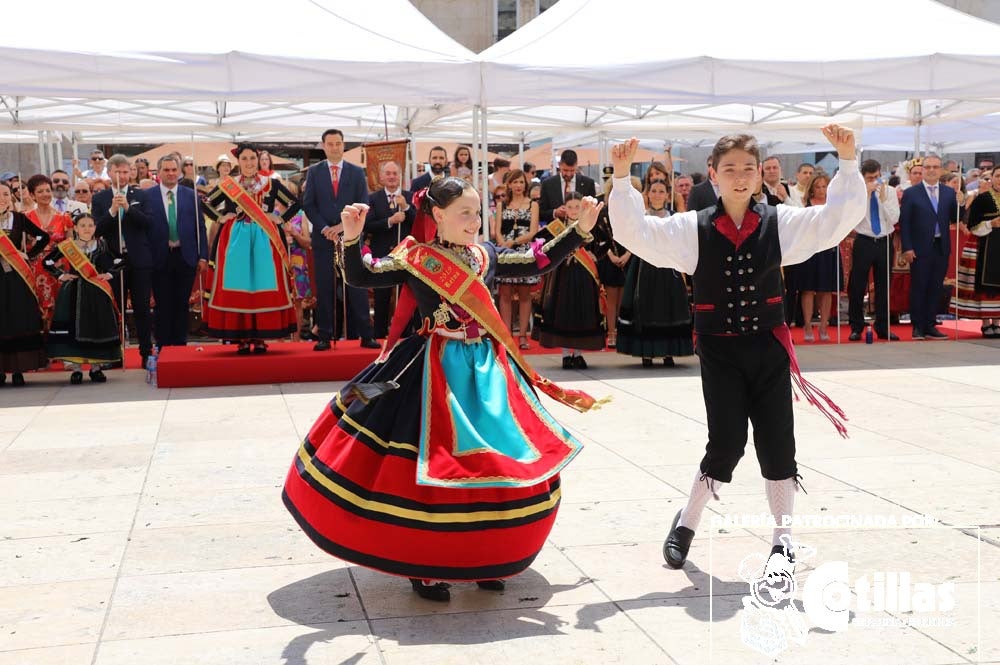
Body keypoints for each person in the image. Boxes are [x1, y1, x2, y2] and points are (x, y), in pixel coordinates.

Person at [282, 176, 604, 603]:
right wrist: (355, 238)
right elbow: (363, 277)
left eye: (476, 212)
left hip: (487, 370)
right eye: (464, 213)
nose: (474, 221)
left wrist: (578, 230)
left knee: (498, 461)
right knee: (438, 469)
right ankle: (430, 565)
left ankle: (489, 556)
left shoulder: (485, 254)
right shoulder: (415, 257)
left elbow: (533, 261)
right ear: (437, 216)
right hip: (434, 368)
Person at [608, 126, 865, 573]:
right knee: (726, 445)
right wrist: (620, 177)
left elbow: (833, 222)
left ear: (760, 174)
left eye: (748, 168)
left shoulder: (779, 221)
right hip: (719, 352)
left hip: (767, 347)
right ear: (714, 174)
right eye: (730, 169)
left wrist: (846, 161)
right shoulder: (693, 227)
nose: (741, 177)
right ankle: (686, 522)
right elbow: (637, 234)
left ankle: (782, 542)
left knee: (779, 445)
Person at [201, 143, 299, 353]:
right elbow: (205, 202)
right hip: (235, 242)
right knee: (239, 285)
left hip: (266, 241)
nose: (249, 163)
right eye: (244, 159)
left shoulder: (271, 184)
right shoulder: (229, 184)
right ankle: (242, 337)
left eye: (252, 159)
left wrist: (279, 218)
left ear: (258, 160)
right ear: (239, 161)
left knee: (264, 284)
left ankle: (261, 337)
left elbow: (294, 203)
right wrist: (221, 217)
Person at [303, 129, 378, 351]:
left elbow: (363, 203)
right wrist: (325, 227)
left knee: (357, 285)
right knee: (324, 287)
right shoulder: (314, 172)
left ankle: (366, 334)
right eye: (330, 143)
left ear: (343, 145)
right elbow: (308, 204)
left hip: (350, 238)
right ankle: (324, 335)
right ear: (323, 146)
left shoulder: (356, 172)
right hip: (323, 238)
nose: (335, 147)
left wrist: (342, 227)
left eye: (338, 143)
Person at [616, 180, 693, 367]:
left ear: (667, 196)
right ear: (647, 195)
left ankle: (669, 351)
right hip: (645, 267)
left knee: (670, 307)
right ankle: (646, 352)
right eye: (654, 191)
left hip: (669, 266)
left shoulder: (674, 217)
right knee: (646, 306)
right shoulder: (641, 217)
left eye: (661, 191)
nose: (657, 194)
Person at [42, 212, 123, 384]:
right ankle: (76, 369)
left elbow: (121, 260)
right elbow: (47, 262)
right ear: (76, 228)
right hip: (73, 291)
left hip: (97, 290)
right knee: (73, 327)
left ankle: (96, 368)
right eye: (83, 226)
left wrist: (109, 274)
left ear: (95, 228)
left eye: (90, 225)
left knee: (96, 326)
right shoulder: (67, 245)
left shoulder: (102, 244)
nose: (87, 229)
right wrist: (60, 275)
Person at [94, 154, 154, 367]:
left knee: (142, 308)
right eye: (118, 172)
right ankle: (115, 354)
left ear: (132, 173)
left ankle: (146, 352)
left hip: (138, 259)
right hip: (113, 261)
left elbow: (148, 223)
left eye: (126, 171)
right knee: (115, 309)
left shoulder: (141, 195)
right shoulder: (99, 198)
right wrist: (112, 211)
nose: (122, 175)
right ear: (109, 173)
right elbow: (97, 230)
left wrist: (128, 208)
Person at [533, 192, 605, 367]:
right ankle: (566, 355)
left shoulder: (591, 226)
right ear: (564, 209)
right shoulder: (556, 227)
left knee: (582, 312)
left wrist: (593, 255)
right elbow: (538, 242)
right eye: (570, 207)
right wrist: (553, 255)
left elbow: (605, 244)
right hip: (561, 276)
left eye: (577, 207)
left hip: (585, 276)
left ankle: (578, 354)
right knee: (562, 312)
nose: (574, 210)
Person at [146, 155, 208, 348]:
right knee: (163, 305)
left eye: (174, 169)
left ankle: (180, 346)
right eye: (166, 170)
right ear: (159, 173)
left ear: (179, 171)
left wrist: (203, 255)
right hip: (159, 258)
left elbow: (201, 228)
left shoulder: (191, 195)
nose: (171, 173)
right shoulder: (147, 196)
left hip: (185, 256)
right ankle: (163, 346)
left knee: (181, 304)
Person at [900, 154, 957, 340]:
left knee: (935, 287)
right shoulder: (911, 193)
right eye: (928, 167)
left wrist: (963, 202)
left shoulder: (949, 193)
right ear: (923, 170)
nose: (932, 170)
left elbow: (955, 217)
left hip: (941, 247)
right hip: (919, 248)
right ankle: (917, 326)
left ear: (941, 170)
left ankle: (930, 324)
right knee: (919, 286)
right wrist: (907, 247)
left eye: (935, 167)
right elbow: (905, 223)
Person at [0, 182, 49, 387]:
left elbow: (43, 237)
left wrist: (27, 255)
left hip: (17, 277)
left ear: (11, 197)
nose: (1, 198)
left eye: (4, 194)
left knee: (18, 319)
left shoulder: (19, 218)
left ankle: (18, 370)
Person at [848, 160, 900, 341]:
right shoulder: (857, 193)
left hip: (885, 241)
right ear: (863, 178)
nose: (875, 181)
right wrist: (867, 196)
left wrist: (883, 199)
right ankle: (856, 326)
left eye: (877, 177)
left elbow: (893, 218)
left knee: (884, 285)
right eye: (870, 178)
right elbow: (854, 219)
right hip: (864, 240)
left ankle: (883, 326)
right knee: (857, 285)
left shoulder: (890, 192)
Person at [365, 161, 415, 338]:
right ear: (382, 177)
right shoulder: (373, 198)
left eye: (395, 173)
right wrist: (390, 221)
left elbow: (418, 222)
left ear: (400, 176)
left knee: (405, 298)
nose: (392, 176)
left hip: (406, 255)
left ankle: (404, 336)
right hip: (382, 255)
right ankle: (379, 336)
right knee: (382, 297)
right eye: (388, 173)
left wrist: (407, 208)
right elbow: (368, 225)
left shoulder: (410, 197)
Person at [492, 169, 540, 348]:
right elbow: (496, 231)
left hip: (524, 250)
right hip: (505, 251)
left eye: (521, 182)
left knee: (524, 293)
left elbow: (533, 231)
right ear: (509, 185)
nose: (518, 185)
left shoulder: (532, 205)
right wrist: (504, 243)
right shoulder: (501, 205)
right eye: (515, 182)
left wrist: (514, 242)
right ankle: (506, 335)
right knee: (505, 292)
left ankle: (522, 336)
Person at [796, 173, 843, 342]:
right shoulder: (804, 205)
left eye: (824, 186)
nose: (821, 190)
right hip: (809, 249)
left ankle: (824, 325)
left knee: (826, 289)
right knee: (808, 289)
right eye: (818, 186)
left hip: (829, 249)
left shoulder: (833, 205)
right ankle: (807, 324)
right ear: (811, 189)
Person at [954, 167, 1000, 336]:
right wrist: (991, 224)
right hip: (985, 245)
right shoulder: (982, 199)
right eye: (997, 176)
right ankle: (986, 322)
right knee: (984, 284)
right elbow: (972, 224)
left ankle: (997, 321)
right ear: (992, 178)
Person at [25, 174, 75, 326]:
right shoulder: (25, 218)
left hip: (57, 268)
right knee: (36, 306)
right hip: (35, 269)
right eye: (40, 191)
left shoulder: (64, 218)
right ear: (32, 195)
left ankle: (59, 344)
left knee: (60, 307)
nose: (45, 194)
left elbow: (70, 245)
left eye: (47, 190)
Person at [592, 178, 631, 349]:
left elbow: (636, 236)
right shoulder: (602, 213)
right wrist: (610, 255)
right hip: (608, 258)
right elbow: (598, 238)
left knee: (624, 298)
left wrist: (628, 255)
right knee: (611, 298)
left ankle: (623, 332)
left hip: (628, 256)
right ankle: (611, 332)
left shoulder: (630, 212)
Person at [283, 182, 314, 341]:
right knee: (280, 301)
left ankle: (296, 339)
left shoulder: (301, 214)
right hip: (279, 262)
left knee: (297, 302)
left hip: (298, 263)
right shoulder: (271, 215)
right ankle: (280, 339)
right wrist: (282, 239)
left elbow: (307, 242)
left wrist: (294, 233)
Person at [538, 149, 597, 223]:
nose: (569, 174)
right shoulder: (547, 184)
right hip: (557, 230)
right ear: (559, 165)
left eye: (572, 170)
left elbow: (593, 209)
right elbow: (541, 212)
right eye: (565, 170)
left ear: (576, 165)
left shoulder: (588, 183)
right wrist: (555, 212)